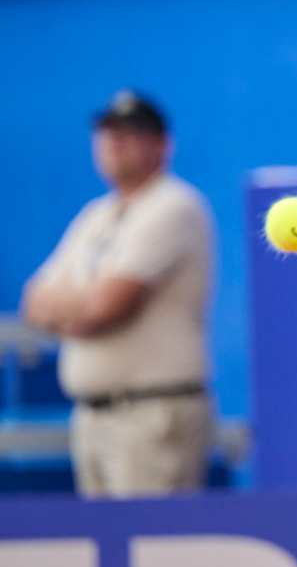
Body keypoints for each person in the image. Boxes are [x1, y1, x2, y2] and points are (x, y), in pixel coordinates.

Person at [20, 91, 214, 498]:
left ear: (162, 145)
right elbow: (33, 301)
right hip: (92, 416)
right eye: (108, 134)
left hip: (152, 416)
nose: (115, 143)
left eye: (130, 134)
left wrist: (75, 307)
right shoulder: (96, 215)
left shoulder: (173, 205)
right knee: (102, 537)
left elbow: (107, 307)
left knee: (155, 537)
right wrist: (83, 305)